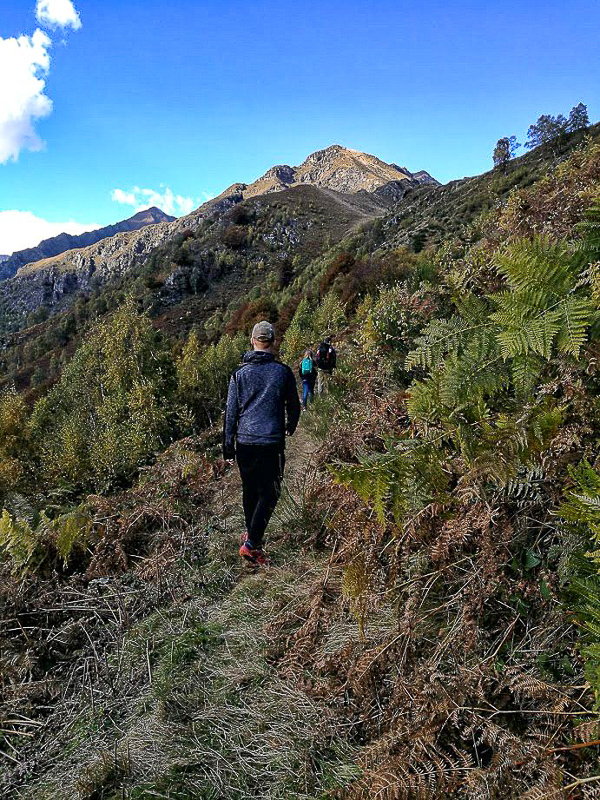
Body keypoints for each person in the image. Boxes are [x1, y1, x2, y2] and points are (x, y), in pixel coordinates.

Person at [223, 320, 301, 566]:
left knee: (251, 490)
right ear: (274, 342)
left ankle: (251, 535)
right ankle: (252, 543)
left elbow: (231, 412)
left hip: (245, 442)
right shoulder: (283, 372)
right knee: (272, 491)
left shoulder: (239, 374)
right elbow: (294, 405)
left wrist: (228, 444)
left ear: (252, 341)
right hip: (271, 441)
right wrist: (290, 426)